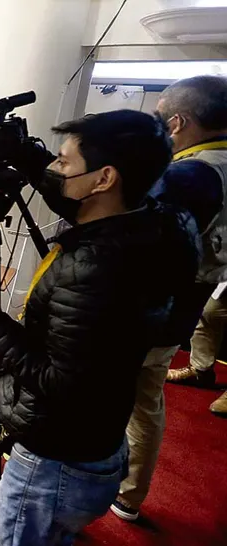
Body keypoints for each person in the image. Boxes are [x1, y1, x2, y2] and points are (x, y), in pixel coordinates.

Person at [0, 111, 199, 546]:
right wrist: (26, 156)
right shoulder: (150, 225)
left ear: (104, 178)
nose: (57, 174)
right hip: (98, 446)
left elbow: (59, 382)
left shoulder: (94, 269)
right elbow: (71, 197)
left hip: (53, 460)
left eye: (65, 163)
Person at [111, 75, 227, 521]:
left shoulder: (190, 175)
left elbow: (131, 240)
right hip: (183, 306)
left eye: (159, 117)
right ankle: (130, 491)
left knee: (103, 398)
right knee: (146, 397)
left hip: (145, 310)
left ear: (177, 122)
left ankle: (86, 491)